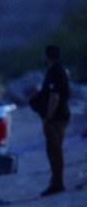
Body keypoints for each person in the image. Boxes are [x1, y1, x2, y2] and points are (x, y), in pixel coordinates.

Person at [33, 45, 71, 196]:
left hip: (56, 118)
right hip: (61, 115)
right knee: (55, 149)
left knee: (54, 150)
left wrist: (48, 116)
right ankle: (56, 181)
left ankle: (57, 183)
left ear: (47, 56)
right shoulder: (60, 70)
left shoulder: (55, 72)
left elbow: (54, 97)